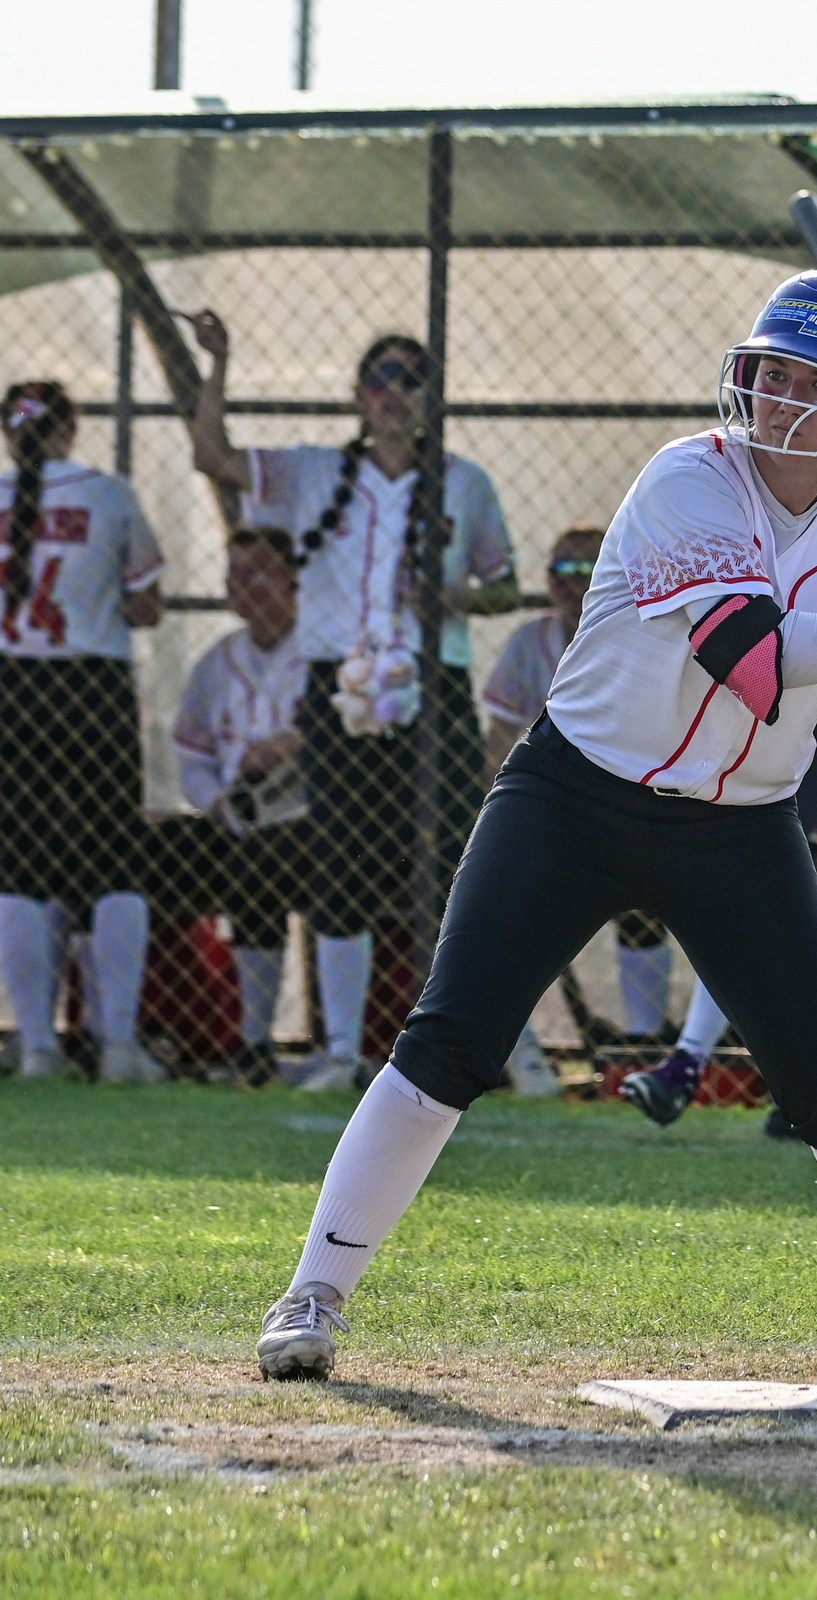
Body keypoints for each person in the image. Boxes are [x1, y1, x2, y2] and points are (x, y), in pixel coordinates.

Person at [250, 268, 817, 1387]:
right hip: (577, 792)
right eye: (773, 373)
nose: (783, 399)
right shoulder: (687, 481)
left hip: (741, 825)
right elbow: (752, 662)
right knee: (451, 1042)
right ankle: (313, 1288)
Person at [184, 316, 520, 1093]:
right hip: (338, 685)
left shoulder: (463, 482)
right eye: (380, 378)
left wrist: (450, 596)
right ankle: (341, 1052)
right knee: (343, 866)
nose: (393, 394)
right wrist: (220, 364)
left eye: (410, 380)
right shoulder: (310, 473)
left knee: (459, 867)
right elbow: (213, 456)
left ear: (428, 398)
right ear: (357, 396)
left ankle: (471, 1046)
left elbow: (504, 580)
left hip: (430, 685)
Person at [0, 382, 168, 1085]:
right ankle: (119, 1044)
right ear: (72, 426)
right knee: (114, 857)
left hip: (13, 685)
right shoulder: (109, 494)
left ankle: (37, 1046)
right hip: (91, 684)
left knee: (19, 865)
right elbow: (148, 602)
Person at [617, 676, 817, 1129]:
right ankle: (714, 1069)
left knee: (753, 867)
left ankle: (702, 1066)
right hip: (731, 694)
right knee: (723, 878)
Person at [479, 526, 677, 1069]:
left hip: (626, 795)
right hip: (544, 800)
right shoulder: (530, 642)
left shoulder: (641, 631)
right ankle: (509, 1049)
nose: (575, 583)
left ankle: (645, 1039)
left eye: (588, 569)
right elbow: (497, 739)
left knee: (642, 894)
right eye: (562, 572)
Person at [162, 526, 309, 1086]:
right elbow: (191, 754)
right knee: (142, 852)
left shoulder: (320, 652)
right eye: (234, 572)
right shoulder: (219, 660)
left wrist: (290, 747)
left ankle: (253, 1042)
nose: (242, 585)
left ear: (294, 580)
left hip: (301, 822)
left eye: (259, 571)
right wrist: (216, 802)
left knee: (259, 868)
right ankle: (132, 1035)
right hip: (233, 818)